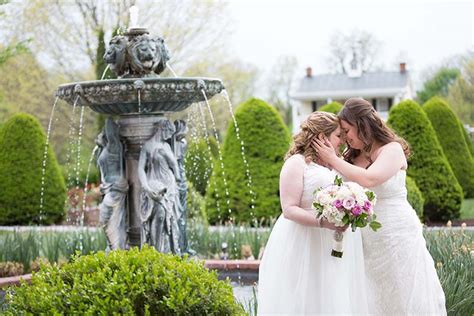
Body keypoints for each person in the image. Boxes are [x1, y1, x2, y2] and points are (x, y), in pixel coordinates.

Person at [313, 98, 446, 315]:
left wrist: (334, 160)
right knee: (370, 297)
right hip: (365, 240)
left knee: (404, 293)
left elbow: (371, 179)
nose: (346, 137)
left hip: (397, 235)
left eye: (347, 130)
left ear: (362, 124)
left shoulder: (392, 150)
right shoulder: (351, 157)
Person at [257, 112, 369, 315]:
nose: (342, 141)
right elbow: (289, 209)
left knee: (334, 295)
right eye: (337, 136)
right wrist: (324, 223)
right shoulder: (296, 163)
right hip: (304, 240)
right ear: (320, 136)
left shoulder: (336, 162)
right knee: (306, 296)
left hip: (334, 242)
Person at [138, 119, 181, 255]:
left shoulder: (166, 147)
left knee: (169, 222)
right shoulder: (148, 146)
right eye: (169, 132)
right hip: (153, 183)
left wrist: (177, 179)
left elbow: (175, 167)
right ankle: (155, 252)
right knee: (160, 214)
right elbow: (140, 169)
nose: (169, 137)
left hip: (169, 186)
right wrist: (145, 187)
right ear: (163, 129)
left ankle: (165, 251)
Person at [97, 118, 129, 250]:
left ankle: (116, 248)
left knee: (107, 219)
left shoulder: (114, 147)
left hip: (116, 189)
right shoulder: (106, 148)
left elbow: (109, 122)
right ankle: (114, 248)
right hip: (109, 188)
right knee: (109, 221)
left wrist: (109, 121)